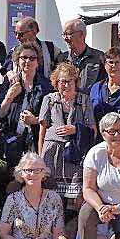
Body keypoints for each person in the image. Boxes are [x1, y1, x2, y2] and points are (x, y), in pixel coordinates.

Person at [39, 62, 96, 203]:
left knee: (75, 197)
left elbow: (93, 130)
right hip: (51, 152)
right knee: (50, 195)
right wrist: (40, 157)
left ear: (76, 82)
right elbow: (42, 130)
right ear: (56, 83)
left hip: (74, 153)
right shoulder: (49, 99)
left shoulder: (84, 100)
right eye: (62, 81)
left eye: (70, 81)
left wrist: (76, 129)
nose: (66, 85)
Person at [0, 41, 53, 163]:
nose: (28, 61)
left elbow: (53, 119)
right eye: (24, 57)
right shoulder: (9, 83)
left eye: (32, 58)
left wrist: (35, 120)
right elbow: (0, 114)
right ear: (18, 61)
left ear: (38, 62)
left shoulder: (46, 87)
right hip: (11, 142)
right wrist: (9, 97)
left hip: (35, 141)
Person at [59, 18, 105, 93]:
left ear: (81, 34)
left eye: (68, 34)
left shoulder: (98, 57)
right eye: (63, 35)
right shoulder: (61, 59)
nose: (65, 38)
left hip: (90, 103)